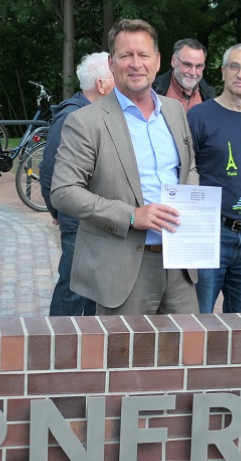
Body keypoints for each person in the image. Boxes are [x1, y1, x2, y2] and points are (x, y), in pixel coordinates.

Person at [50, 19, 200, 314]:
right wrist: (131, 215)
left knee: (185, 355)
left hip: (180, 263)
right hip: (124, 267)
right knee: (127, 357)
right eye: (125, 55)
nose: (135, 64)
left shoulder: (173, 111)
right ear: (111, 62)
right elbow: (63, 192)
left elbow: (189, 167)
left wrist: (192, 202)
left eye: (143, 55)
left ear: (157, 61)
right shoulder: (85, 121)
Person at [187, 44, 241, 313]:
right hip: (210, 235)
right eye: (234, 66)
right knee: (198, 323)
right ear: (223, 72)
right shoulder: (199, 116)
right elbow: (183, 171)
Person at [39, 52, 115, 316]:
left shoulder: (102, 114)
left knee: (95, 292)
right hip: (78, 222)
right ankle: (58, 348)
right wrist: (58, 211)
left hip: (98, 219)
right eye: (115, 76)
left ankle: (87, 350)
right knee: (73, 292)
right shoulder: (71, 118)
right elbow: (48, 171)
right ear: (102, 85)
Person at [152, 38, 216, 112]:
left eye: (198, 66)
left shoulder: (210, 96)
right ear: (173, 61)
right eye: (187, 65)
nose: (193, 73)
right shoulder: (153, 92)